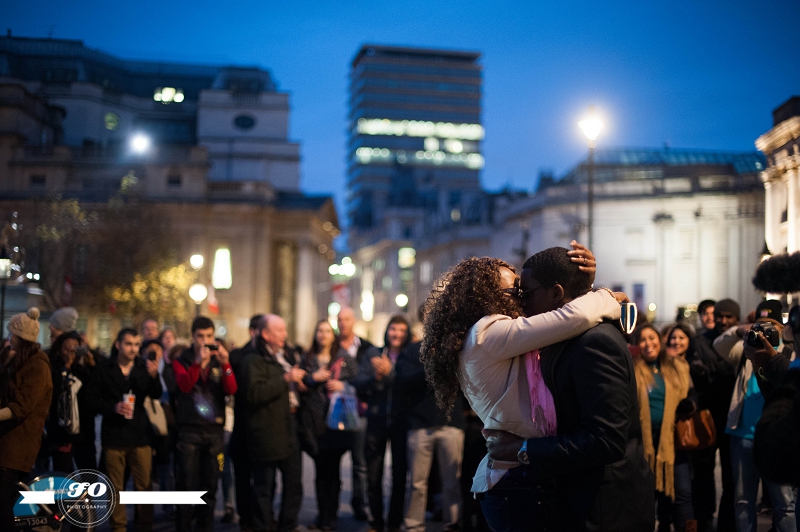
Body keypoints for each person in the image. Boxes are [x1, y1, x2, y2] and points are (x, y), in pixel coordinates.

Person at [420, 243, 627, 531]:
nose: (522, 297)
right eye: (515, 290)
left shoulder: (490, 335)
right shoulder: (488, 332)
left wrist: (579, 281)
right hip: (516, 482)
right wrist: (605, 295)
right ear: (487, 298)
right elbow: (573, 317)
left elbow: (559, 313)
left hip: (517, 478)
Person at [479, 247, 654, 531]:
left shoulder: (594, 342)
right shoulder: (565, 336)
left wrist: (524, 449)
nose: (521, 302)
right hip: (578, 498)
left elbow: (607, 439)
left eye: (527, 292)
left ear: (556, 293)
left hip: (604, 508)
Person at [712, 300, 797, 532]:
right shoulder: (747, 350)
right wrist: (741, 330)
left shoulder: (790, 352)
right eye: (760, 325)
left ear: (782, 327)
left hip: (777, 436)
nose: (765, 331)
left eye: (771, 326)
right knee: (742, 501)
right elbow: (719, 344)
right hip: (743, 434)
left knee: (785, 503)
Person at [87, 327, 162, 532]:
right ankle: (118, 526)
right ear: (118, 344)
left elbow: (155, 394)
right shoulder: (105, 368)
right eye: (129, 344)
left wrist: (153, 375)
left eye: (137, 345)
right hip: (114, 435)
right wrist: (112, 407)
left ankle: (144, 524)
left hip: (140, 435)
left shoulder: (141, 367)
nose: (133, 349)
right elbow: (91, 400)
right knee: (115, 488)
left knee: (143, 486)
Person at [235, 314, 304, 532]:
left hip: (288, 428)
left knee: (294, 484)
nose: (284, 334)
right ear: (265, 334)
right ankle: (262, 525)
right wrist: (285, 379)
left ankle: (287, 524)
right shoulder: (252, 360)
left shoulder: (283, 356)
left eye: (284, 330)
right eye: (279, 331)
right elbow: (254, 393)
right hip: (265, 432)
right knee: (264, 486)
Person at [396, 320, 466, 532]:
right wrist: (429, 366)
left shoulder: (455, 350)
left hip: (450, 421)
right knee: (417, 483)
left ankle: (453, 523)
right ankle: (413, 525)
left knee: (452, 481)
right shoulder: (412, 351)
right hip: (420, 423)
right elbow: (403, 381)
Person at [171, 317, 237, 532]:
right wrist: (198, 362)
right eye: (200, 336)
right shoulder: (183, 359)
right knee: (187, 487)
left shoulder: (219, 360)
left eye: (209, 336)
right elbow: (184, 385)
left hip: (215, 433)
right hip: (189, 431)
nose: (205, 341)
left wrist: (226, 363)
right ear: (193, 336)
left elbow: (231, 389)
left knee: (210, 487)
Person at [633, 323, 697, 532]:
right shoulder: (633, 369)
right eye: (642, 339)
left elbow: (691, 394)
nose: (647, 343)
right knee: (646, 499)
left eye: (651, 338)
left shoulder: (677, 366)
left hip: (672, 442)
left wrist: (690, 404)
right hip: (644, 444)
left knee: (683, 495)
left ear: (659, 340)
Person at [299, 319, 359, 530]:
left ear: (332, 335)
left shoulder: (343, 358)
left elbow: (358, 381)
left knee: (332, 472)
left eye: (326, 331)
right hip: (314, 421)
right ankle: (321, 513)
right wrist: (312, 378)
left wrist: (343, 385)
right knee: (319, 471)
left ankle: (330, 515)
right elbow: (300, 382)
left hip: (336, 422)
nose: (323, 335)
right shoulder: (307, 358)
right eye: (319, 331)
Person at [352, 315, 409, 532]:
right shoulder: (373, 354)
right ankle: (376, 521)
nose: (397, 334)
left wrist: (391, 373)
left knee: (399, 476)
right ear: (387, 331)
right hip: (376, 421)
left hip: (401, 423)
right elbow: (358, 383)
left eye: (401, 330)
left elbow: (409, 385)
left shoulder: (409, 356)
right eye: (393, 329)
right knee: (373, 475)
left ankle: (393, 523)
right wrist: (376, 377)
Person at [688, 298, 740, 531]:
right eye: (720, 315)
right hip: (706, 416)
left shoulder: (740, 341)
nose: (722, 320)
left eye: (729, 316)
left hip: (733, 417)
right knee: (702, 474)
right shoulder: (698, 342)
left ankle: (727, 523)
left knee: (731, 475)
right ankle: (705, 519)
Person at [0, 308, 53, 530]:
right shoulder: (16, 361)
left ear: (23, 339)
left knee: (3, 505)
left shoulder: (38, 366)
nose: (10, 339)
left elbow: (21, 407)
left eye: (13, 335)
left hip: (17, 445)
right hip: (6, 441)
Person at [337, 306, 372, 520]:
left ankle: (359, 504)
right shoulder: (330, 347)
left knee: (360, 463)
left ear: (354, 321)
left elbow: (368, 377)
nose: (343, 323)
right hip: (335, 413)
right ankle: (330, 507)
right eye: (340, 320)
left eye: (347, 319)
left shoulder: (366, 348)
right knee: (332, 462)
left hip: (358, 412)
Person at [44, 330, 86, 473]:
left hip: (83, 430)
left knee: (87, 471)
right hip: (61, 430)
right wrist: (66, 367)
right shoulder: (54, 368)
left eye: (75, 347)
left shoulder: (84, 368)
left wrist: (90, 362)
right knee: (62, 470)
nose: (71, 351)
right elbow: (56, 393)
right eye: (67, 347)